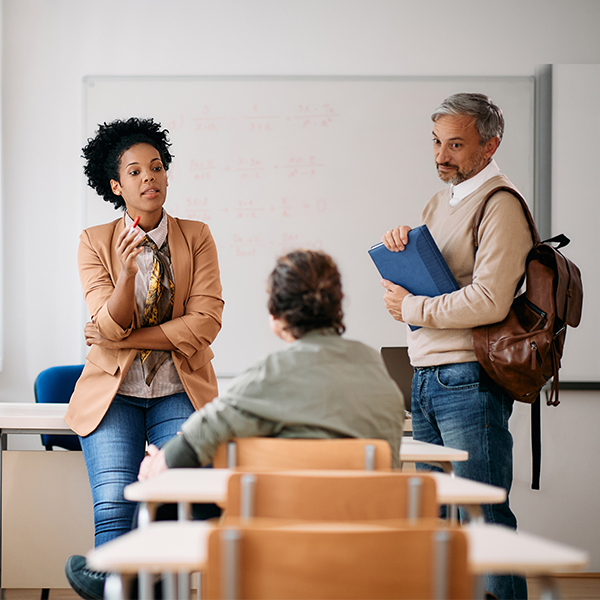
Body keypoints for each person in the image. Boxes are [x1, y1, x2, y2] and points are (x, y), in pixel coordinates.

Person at [64, 117, 224, 600]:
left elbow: (206, 322)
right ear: (116, 185)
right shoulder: (95, 241)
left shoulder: (196, 235)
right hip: (114, 397)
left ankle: (146, 590)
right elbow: (109, 325)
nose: (149, 178)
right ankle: (115, 589)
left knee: (173, 502)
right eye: (134, 172)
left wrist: (121, 338)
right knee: (115, 505)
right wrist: (128, 271)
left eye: (156, 167)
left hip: (179, 388)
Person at [380, 93, 532, 600]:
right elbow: (437, 278)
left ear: (490, 147)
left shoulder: (500, 203)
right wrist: (405, 245)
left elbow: (490, 299)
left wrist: (412, 309)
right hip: (427, 377)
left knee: (484, 518)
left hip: (466, 379)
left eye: (457, 144)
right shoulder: (439, 201)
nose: (442, 155)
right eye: (437, 142)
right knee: (439, 521)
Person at [139, 249, 405, 480]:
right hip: (373, 531)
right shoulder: (372, 364)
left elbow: (204, 431)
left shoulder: (273, 373)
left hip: (280, 533)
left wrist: (159, 464)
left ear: (275, 313)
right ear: (337, 307)